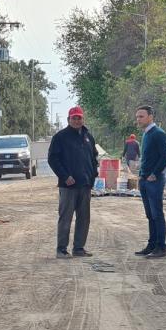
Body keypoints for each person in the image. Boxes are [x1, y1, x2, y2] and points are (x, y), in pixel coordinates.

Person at [47, 106, 99, 259]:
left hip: (85, 185)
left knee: (84, 217)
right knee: (66, 217)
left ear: (83, 119)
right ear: (68, 120)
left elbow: (93, 157)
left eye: (79, 118)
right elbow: (53, 159)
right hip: (68, 186)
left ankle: (79, 248)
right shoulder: (60, 137)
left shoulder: (88, 136)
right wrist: (65, 176)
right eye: (74, 118)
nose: (77, 120)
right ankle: (61, 249)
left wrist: (93, 176)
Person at [134, 105, 166, 258]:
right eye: (137, 117)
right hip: (144, 180)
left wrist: (154, 174)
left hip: (154, 181)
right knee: (150, 215)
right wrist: (141, 175)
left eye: (141, 116)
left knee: (157, 214)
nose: (138, 119)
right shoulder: (146, 134)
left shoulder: (158, 134)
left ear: (150, 116)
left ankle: (161, 247)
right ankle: (152, 244)